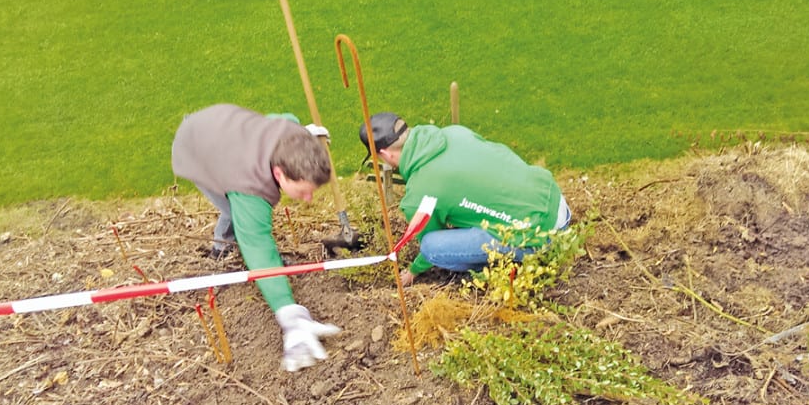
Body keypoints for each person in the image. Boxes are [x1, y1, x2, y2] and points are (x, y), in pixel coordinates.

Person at [172, 103, 340, 372]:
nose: (309, 200)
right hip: (195, 146)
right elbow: (259, 247)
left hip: (222, 125)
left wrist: (309, 137)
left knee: (240, 212)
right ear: (279, 174)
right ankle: (222, 247)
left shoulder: (291, 134)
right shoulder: (250, 188)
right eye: (304, 191)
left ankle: (225, 241)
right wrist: (289, 313)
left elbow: (283, 117)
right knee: (236, 213)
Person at [359, 113, 571, 286]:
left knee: (432, 248)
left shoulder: (419, 195)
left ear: (385, 154)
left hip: (538, 236)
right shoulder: (455, 133)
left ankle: (501, 266)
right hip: (555, 200)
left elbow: (428, 241)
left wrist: (414, 271)